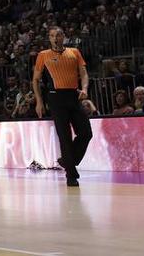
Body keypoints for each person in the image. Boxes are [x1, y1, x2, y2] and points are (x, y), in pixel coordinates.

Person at [33, 27, 92, 187]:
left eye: (58, 35)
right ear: (49, 39)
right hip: (55, 97)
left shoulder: (74, 52)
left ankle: (67, 160)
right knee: (64, 136)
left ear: (63, 36)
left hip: (73, 95)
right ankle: (71, 175)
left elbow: (84, 73)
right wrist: (39, 101)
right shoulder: (43, 55)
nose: (55, 38)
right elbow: (36, 80)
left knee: (86, 132)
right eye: (52, 36)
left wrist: (85, 88)